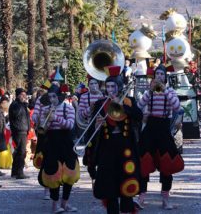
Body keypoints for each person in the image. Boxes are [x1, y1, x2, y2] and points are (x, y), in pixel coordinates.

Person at [86, 66, 142, 214]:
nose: (110, 89)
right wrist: (96, 125)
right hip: (107, 149)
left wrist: (123, 106)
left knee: (126, 186)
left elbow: (139, 116)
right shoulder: (100, 104)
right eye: (108, 86)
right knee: (110, 189)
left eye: (113, 86)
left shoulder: (129, 101)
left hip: (126, 148)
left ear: (119, 87)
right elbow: (91, 128)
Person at [135, 65, 184, 210]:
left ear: (165, 77)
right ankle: (141, 197)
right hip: (150, 127)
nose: (159, 77)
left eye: (162, 74)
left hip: (163, 128)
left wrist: (165, 91)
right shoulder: (148, 92)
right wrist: (149, 92)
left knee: (167, 163)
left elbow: (177, 107)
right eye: (157, 74)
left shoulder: (170, 91)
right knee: (143, 161)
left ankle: (165, 198)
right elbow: (139, 106)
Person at [38, 84, 79, 213]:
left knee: (69, 173)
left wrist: (55, 118)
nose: (52, 100)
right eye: (50, 97)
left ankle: (65, 203)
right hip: (51, 143)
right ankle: (55, 206)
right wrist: (43, 119)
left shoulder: (69, 108)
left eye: (54, 96)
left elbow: (70, 125)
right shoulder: (46, 108)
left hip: (66, 143)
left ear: (60, 96)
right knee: (52, 173)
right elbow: (41, 127)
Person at [8, 88, 30, 179]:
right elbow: (16, 115)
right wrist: (23, 104)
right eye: (22, 95)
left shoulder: (21, 104)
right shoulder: (16, 105)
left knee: (18, 152)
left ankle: (15, 171)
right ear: (18, 95)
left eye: (25, 95)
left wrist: (24, 104)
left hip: (22, 130)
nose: (24, 96)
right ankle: (19, 172)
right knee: (21, 152)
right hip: (19, 130)